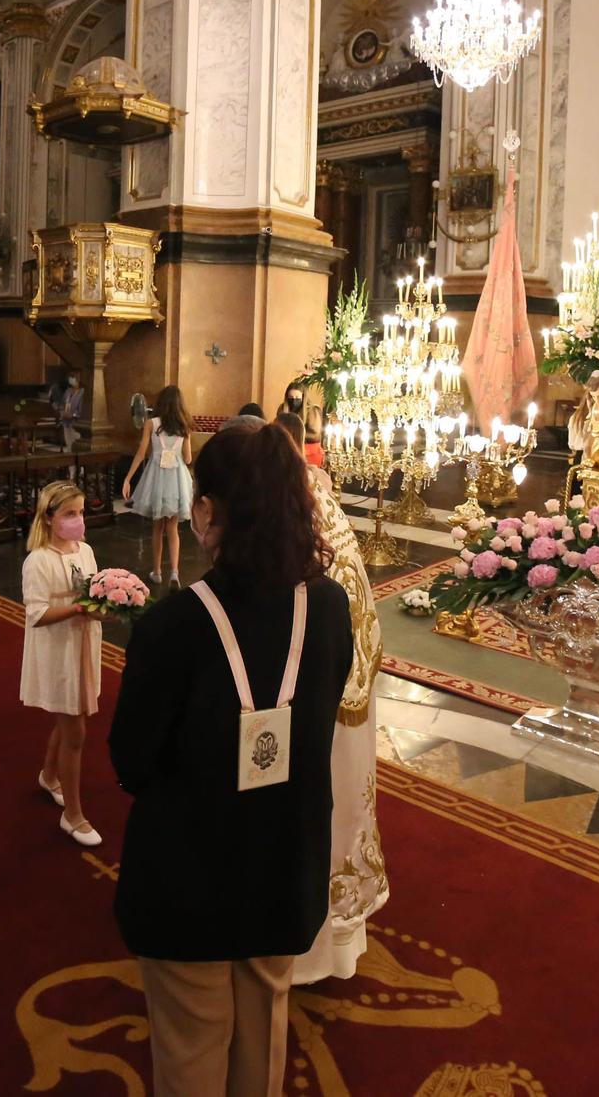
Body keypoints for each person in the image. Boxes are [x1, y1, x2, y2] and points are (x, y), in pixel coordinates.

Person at [109, 422, 353, 1097]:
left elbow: (132, 760)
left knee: (192, 1038)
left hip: (190, 871)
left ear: (208, 511)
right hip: (283, 860)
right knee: (263, 1029)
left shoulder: (173, 624)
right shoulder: (329, 607)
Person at [272, 415, 388, 983]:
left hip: (312, 692)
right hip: (342, 679)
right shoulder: (315, 497)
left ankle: (301, 947)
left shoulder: (286, 514)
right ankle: (331, 942)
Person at [20, 480, 104, 846]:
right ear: (50, 518)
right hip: (59, 650)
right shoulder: (38, 560)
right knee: (76, 731)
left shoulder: (84, 551)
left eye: (81, 513)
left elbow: (94, 591)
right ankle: (72, 815)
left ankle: (49, 776)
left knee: (71, 715)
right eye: (70, 514)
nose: (78, 520)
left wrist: (109, 606)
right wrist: (77, 608)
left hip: (84, 644)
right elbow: (36, 613)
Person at [122, 385, 193, 588]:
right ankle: (175, 572)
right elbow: (188, 459)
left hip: (156, 477)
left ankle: (157, 571)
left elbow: (141, 453)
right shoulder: (184, 426)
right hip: (176, 479)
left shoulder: (151, 424)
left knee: (157, 526)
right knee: (173, 527)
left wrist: (128, 478)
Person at [56, 373, 86, 452]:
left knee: (76, 445)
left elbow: (83, 408)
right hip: (66, 421)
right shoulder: (68, 391)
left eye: (73, 378)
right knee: (69, 445)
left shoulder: (83, 392)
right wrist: (62, 412)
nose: (71, 380)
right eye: (70, 378)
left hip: (76, 423)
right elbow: (62, 404)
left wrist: (73, 415)